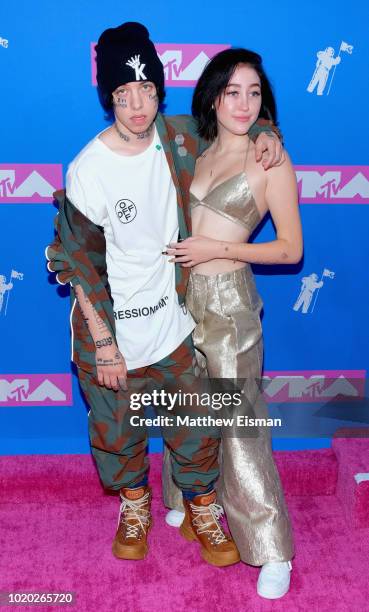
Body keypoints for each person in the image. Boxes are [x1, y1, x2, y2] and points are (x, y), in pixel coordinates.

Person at [46, 23, 283, 565]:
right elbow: (78, 263)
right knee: (118, 434)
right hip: (112, 334)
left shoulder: (177, 138)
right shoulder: (89, 169)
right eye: (124, 94)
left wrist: (267, 127)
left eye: (147, 89)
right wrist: (105, 344)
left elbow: (232, 123)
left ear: (159, 90)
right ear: (109, 96)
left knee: (194, 429)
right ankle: (135, 504)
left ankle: (202, 507)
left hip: (172, 325)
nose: (137, 105)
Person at [164, 48, 302, 599]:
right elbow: (138, 121)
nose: (244, 104)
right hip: (179, 298)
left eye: (255, 94)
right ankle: (192, 497)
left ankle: (272, 549)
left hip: (228, 302)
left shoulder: (271, 160)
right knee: (187, 407)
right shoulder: (189, 145)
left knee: (241, 424)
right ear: (212, 96)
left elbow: (291, 249)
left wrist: (218, 246)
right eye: (232, 92)